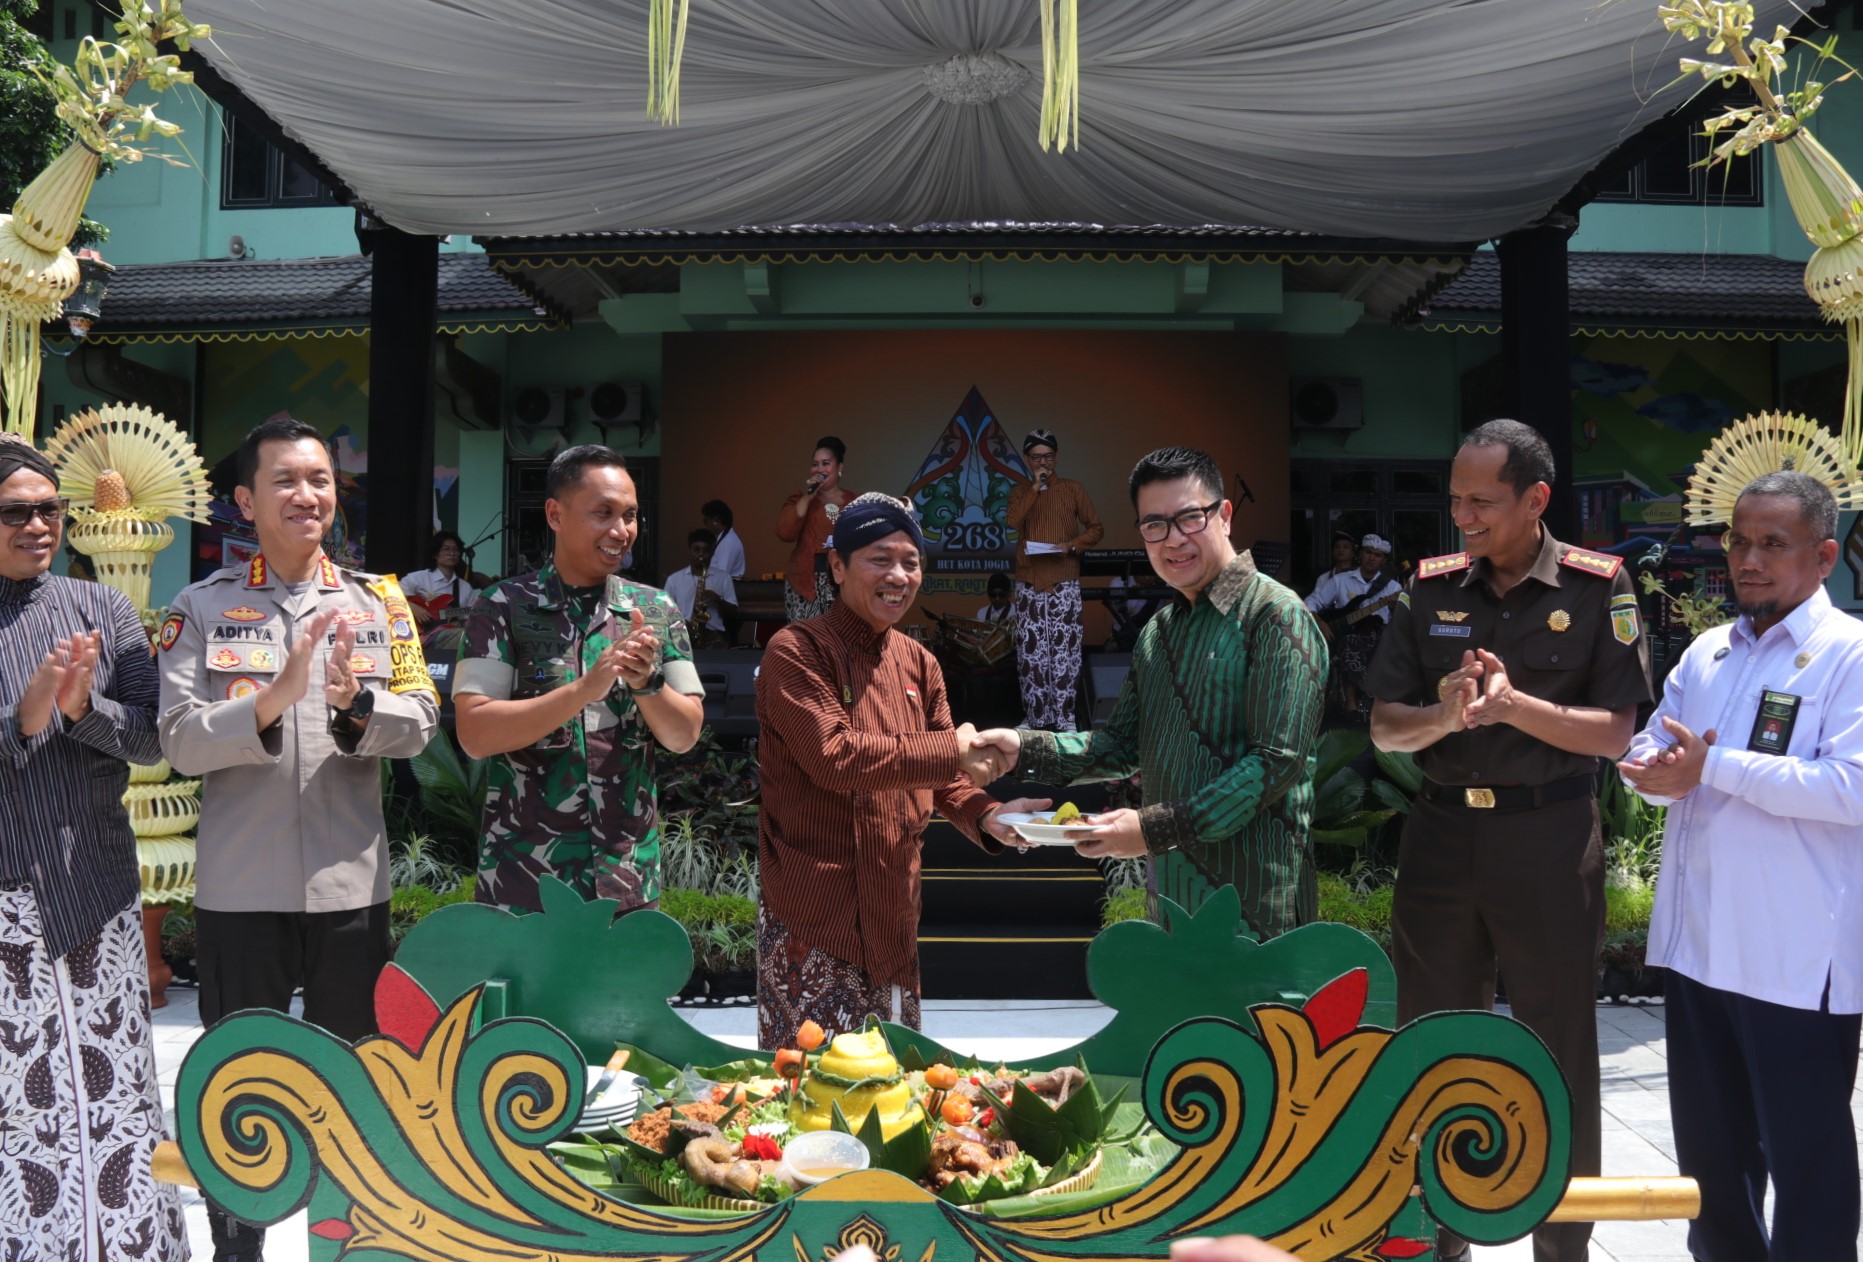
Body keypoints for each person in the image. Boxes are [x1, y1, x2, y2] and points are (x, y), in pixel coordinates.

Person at [1362, 418, 1651, 1262]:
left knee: (1555, 1035)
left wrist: (1514, 705)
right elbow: (1384, 726)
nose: (1463, 517)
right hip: (1443, 838)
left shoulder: (1598, 587)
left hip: (1549, 836)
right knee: (1434, 1034)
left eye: (1481, 501)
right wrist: (1446, 715)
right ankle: (1437, 1233)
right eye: (1454, 500)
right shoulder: (1431, 588)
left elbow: (1613, 734)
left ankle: (1562, 1242)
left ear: (1535, 499)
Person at [158, 416, 440, 1262]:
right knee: (237, 1085)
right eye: (285, 480)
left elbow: (423, 720)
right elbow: (177, 739)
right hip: (241, 895)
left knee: (358, 1085)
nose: (307, 495)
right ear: (245, 500)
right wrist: (272, 698)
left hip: (353, 891)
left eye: (319, 479)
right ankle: (236, 1247)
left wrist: (358, 704)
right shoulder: (198, 608)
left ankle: (348, 1244)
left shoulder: (378, 601)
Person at [1619, 471, 1863, 1262]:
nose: (1746, 559)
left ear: (1823, 556)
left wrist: (1710, 771)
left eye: (1771, 544)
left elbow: (1851, 789)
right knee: (1712, 1176)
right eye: (1737, 540)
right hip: (1698, 954)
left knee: (1808, 1169)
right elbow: (1650, 744)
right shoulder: (1708, 650)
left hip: (1793, 964)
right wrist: (1651, 772)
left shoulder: (1848, 656)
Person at [972, 446, 1328, 934]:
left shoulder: (1274, 614)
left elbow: (1277, 761)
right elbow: (1122, 746)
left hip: (1260, 908)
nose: (1173, 539)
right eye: (1154, 525)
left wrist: (1151, 828)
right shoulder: (1158, 632)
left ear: (1224, 516)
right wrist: (1022, 748)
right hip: (1174, 907)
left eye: (1190, 518)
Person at [754, 492, 1045, 1047]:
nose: (899, 575)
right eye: (880, 558)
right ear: (837, 566)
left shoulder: (920, 663)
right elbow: (834, 757)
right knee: (810, 1099)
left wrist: (989, 815)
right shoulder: (796, 651)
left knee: (895, 1092)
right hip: (815, 915)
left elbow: (946, 780)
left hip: (894, 910)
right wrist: (951, 752)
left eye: (911, 561)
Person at [0, 436, 186, 1262]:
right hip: (7, 896)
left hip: (96, 890)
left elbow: (151, 741)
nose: (39, 524)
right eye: (16, 511)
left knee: (112, 1091)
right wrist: (29, 714)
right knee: (22, 1099)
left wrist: (82, 710)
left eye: (50, 509)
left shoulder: (103, 610)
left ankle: (135, 1248)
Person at [455, 444, 705, 914]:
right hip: (525, 880)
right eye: (603, 513)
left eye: (630, 516)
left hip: (626, 879)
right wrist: (583, 691)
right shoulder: (502, 606)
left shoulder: (655, 611)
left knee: (626, 992)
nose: (621, 531)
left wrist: (647, 682)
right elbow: (475, 733)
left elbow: (684, 733)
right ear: (555, 514)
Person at [1004, 428, 1104, 730]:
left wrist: (1071, 545)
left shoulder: (1073, 489)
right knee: (1031, 654)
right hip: (1029, 580)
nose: (1043, 463)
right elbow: (1012, 522)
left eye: (1048, 457)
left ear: (1057, 457)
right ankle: (1035, 716)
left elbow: (1096, 528)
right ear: (1026, 459)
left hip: (1063, 579)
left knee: (1064, 652)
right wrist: (1035, 487)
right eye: (1036, 458)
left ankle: (1065, 717)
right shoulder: (1020, 491)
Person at [1304, 533, 1397, 721]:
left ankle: (1363, 701)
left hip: (1378, 638)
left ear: (1384, 560)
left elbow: (1404, 619)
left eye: (1377, 555)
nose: (1371, 557)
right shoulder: (1340, 580)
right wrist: (1320, 622)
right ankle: (1355, 702)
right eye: (1368, 552)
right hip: (1344, 638)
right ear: (1360, 554)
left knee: (1376, 642)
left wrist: (1396, 608)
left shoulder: (1393, 587)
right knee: (1351, 642)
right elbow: (1310, 603)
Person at [776, 436, 857, 620]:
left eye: (826, 463)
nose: (820, 469)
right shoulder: (800, 499)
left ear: (840, 468)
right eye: (815, 464)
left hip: (842, 582)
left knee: (839, 639)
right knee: (807, 641)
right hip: (806, 583)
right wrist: (809, 495)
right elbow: (785, 532)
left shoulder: (854, 502)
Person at [664, 527, 738, 649]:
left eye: (705, 550)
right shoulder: (674, 579)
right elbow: (665, 611)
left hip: (713, 635)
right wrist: (681, 621)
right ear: (689, 550)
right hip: (683, 632)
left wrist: (717, 599)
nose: (701, 554)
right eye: (696, 549)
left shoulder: (724, 578)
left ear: (712, 552)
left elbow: (733, 612)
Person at [402, 529, 478, 622]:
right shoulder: (417, 578)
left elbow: (472, 619)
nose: (452, 553)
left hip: (451, 632)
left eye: (455, 550)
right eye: (446, 549)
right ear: (435, 554)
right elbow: (391, 598)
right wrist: (412, 607)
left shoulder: (465, 587)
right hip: (420, 633)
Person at [701, 498, 746, 580]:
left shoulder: (728, 542)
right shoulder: (725, 539)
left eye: (706, 520)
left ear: (716, 521)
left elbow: (721, 575)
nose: (705, 524)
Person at [1310, 530, 1356, 596]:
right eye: (1337, 547)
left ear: (1353, 553)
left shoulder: (1359, 578)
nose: (1341, 550)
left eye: (1345, 547)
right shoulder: (1323, 579)